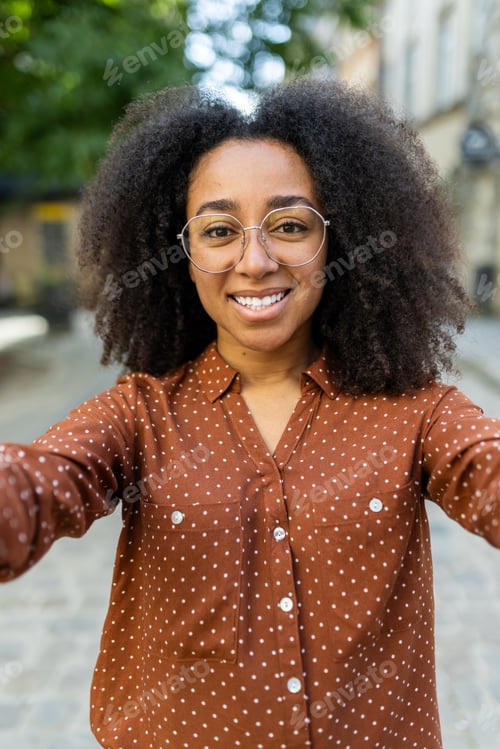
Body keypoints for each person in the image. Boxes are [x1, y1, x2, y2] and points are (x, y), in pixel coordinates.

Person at [1, 77, 499, 749]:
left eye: (290, 225)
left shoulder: (418, 415)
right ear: (181, 253)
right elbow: (36, 485)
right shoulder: (139, 417)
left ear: (336, 239)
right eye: (218, 230)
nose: (255, 260)